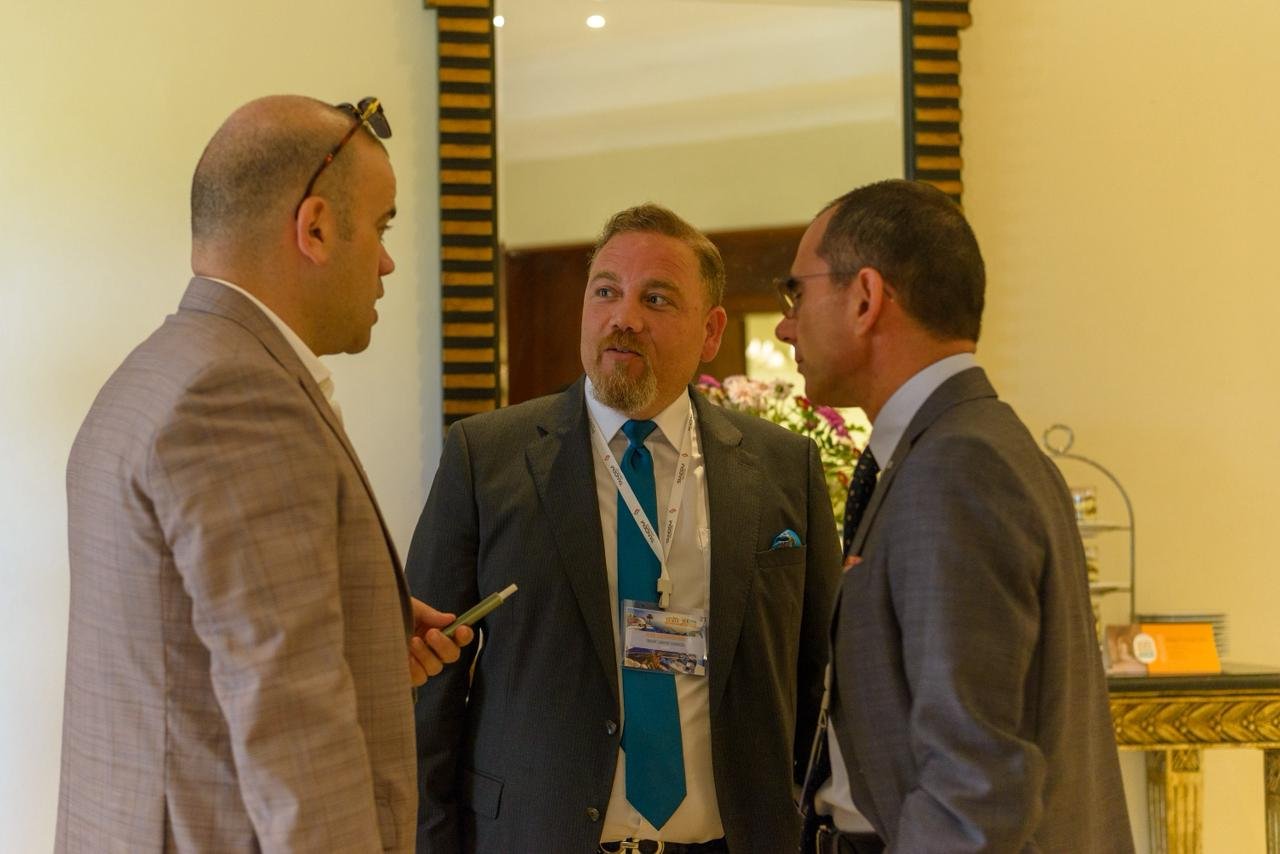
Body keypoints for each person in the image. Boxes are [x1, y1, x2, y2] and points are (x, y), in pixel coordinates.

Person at [56, 95, 472, 853]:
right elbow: (291, 723)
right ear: (315, 228)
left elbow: (189, 644)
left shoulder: (160, 369)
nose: (387, 262)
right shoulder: (237, 393)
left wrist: (365, 630)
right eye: (381, 228)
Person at [407, 203, 841, 853]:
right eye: (606, 291)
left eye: (656, 299)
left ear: (712, 330)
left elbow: (821, 679)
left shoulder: (784, 467)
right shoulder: (486, 457)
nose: (624, 318)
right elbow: (428, 679)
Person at [779, 180, 1133, 853]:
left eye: (796, 292)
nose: (785, 325)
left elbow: (973, 788)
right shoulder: (961, 445)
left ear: (865, 298)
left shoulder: (955, 465)